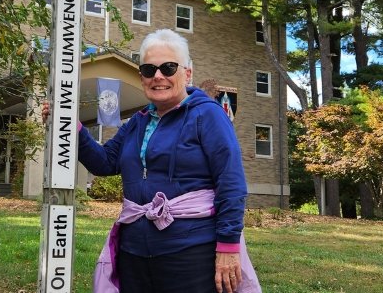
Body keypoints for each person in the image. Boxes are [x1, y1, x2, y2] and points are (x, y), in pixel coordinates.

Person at [43, 29, 259, 293]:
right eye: (149, 69)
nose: (158, 76)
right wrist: (70, 126)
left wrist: (228, 246)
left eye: (168, 67)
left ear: (187, 73)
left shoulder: (208, 115)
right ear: (141, 76)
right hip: (134, 253)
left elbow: (231, 182)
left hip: (190, 253)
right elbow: (104, 162)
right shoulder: (137, 122)